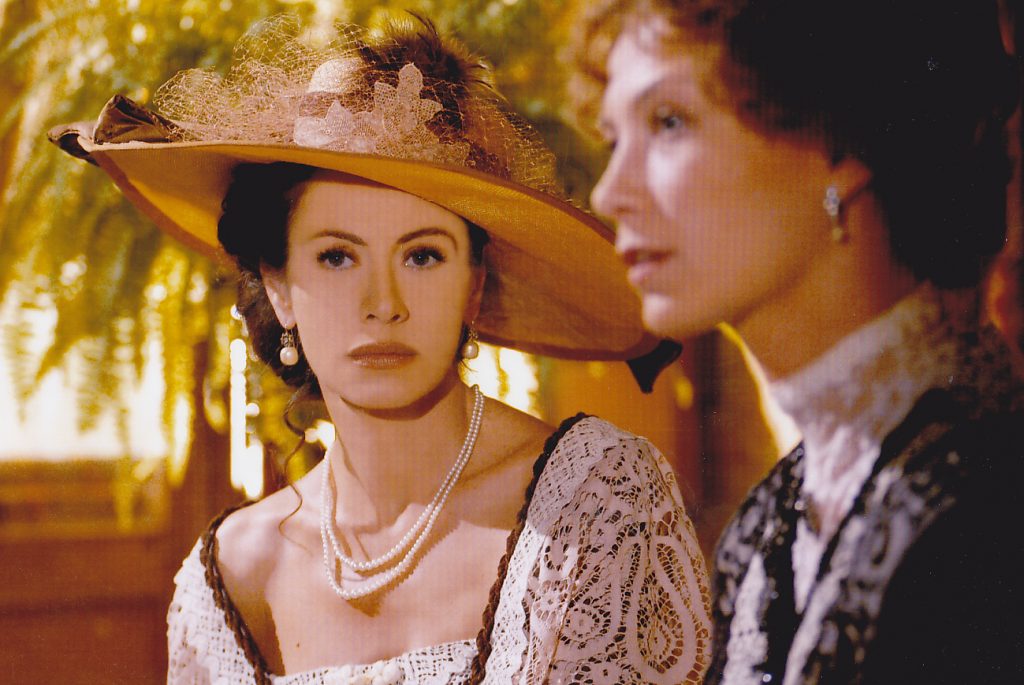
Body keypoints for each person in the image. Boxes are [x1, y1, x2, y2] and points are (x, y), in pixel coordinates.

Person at [51, 15, 711, 685]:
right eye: (337, 256)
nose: (383, 303)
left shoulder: (595, 501)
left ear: (473, 287)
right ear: (279, 289)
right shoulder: (227, 577)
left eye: (422, 255)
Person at [573, 0, 1024, 683]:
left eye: (669, 121)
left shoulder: (988, 500)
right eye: (614, 140)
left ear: (840, 144)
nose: (610, 193)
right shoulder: (769, 526)